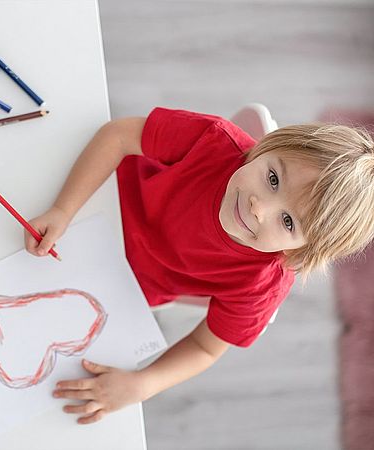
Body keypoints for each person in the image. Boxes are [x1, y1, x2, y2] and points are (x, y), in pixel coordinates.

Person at [24, 108, 374, 424]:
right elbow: (118, 136)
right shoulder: (213, 140)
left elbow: (207, 346)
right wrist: (63, 210)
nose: (258, 208)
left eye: (287, 222)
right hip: (92, 202)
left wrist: (143, 384)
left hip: (116, 289)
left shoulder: (261, 284)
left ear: (303, 250)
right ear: (267, 147)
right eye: (272, 180)